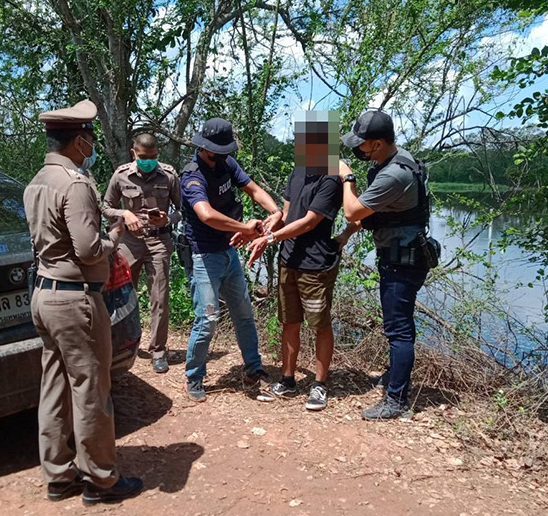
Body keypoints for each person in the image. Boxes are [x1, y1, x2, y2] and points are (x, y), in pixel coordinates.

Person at [23, 99, 142, 505]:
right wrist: (117, 237)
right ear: (78, 142)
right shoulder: (74, 183)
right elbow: (89, 249)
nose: (92, 144)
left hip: (45, 296)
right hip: (76, 302)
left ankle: (58, 475)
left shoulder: (38, 180)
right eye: (89, 138)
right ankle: (100, 479)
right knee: (91, 388)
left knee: (55, 385)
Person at [246, 112, 359, 411]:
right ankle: (288, 378)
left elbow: (310, 221)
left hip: (316, 264)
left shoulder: (331, 178)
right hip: (289, 258)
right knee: (289, 321)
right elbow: (287, 213)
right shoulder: (297, 172)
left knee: (320, 324)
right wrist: (271, 223)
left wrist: (271, 239)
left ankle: (319, 384)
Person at [339, 109, 435, 421]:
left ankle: (396, 399)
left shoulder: (394, 174)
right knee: (400, 326)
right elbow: (373, 215)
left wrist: (347, 178)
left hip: (401, 261)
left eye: (362, 144)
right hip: (404, 255)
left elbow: (353, 211)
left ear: (378, 143)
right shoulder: (400, 160)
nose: (359, 149)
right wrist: (344, 237)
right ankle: (396, 377)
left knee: (398, 330)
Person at [181, 117, 284, 403]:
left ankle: (253, 368)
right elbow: (206, 215)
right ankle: (194, 376)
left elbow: (254, 189)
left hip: (228, 253)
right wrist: (245, 228)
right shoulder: (192, 176)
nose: (223, 154)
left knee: (244, 313)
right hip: (204, 256)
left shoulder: (227, 164)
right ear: (204, 148)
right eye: (218, 150)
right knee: (208, 319)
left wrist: (275, 212)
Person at [103, 133, 181, 373]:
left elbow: (183, 209)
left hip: (159, 242)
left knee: (160, 297)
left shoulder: (169, 175)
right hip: (129, 242)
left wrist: (168, 219)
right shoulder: (121, 175)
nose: (149, 161)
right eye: (144, 157)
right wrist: (124, 214)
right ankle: (118, 345)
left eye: (153, 156)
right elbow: (105, 207)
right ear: (133, 153)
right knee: (121, 295)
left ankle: (158, 350)